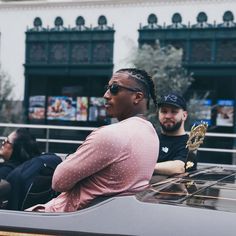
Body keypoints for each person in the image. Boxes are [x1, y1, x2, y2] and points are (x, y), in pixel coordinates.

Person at [28, 68, 159, 212]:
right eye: (107, 88)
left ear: (137, 97)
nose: (106, 95)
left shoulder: (110, 135)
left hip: (65, 217)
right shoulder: (151, 134)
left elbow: (59, 182)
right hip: (107, 214)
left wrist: (72, 158)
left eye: (114, 88)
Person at [154, 93, 190, 176]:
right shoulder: (152, 139)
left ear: (184, 115)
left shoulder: (189, 143)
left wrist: (144, 168)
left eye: (174, 111)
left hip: (176, 188)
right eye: (164, 111)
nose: (168, 116)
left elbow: (179, 167)